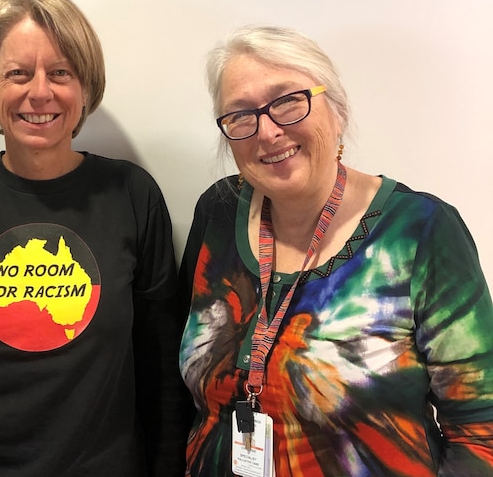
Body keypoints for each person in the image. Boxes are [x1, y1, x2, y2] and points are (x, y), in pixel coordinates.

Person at [0, 0, 191, 476]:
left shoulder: (132, 194)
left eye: (60, 73)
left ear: (86, 88)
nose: (40, 92)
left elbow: (161, 368)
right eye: (17, 73)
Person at [178, 24, 493, 476]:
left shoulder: (420, 232)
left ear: (337, 110)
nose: (267, 132)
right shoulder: (219, 213)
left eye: (288, 100)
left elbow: (480, 433)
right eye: (241, 115)